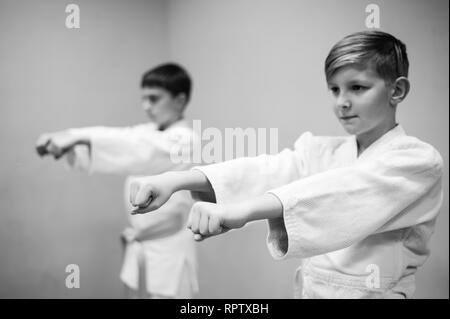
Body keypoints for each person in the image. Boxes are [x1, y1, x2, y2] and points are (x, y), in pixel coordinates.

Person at [128, 31, 444, 298]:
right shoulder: (321, 151)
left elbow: (340, 193)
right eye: (334, 89)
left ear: (397, 90)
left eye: (357, 88)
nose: (342, 102)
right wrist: (177, 180)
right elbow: (267, 169)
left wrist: (241, 211)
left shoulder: (417, 162)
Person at [36, 63, 200, 299]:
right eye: (143, 99)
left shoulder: (186, 141)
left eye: (154, 99)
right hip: (141, 244)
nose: (146, 107)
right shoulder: (152, 131)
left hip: (169, 251)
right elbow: (123, 137)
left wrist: (75, 137)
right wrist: (69, 144)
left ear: (180, 100)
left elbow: (136, 149)